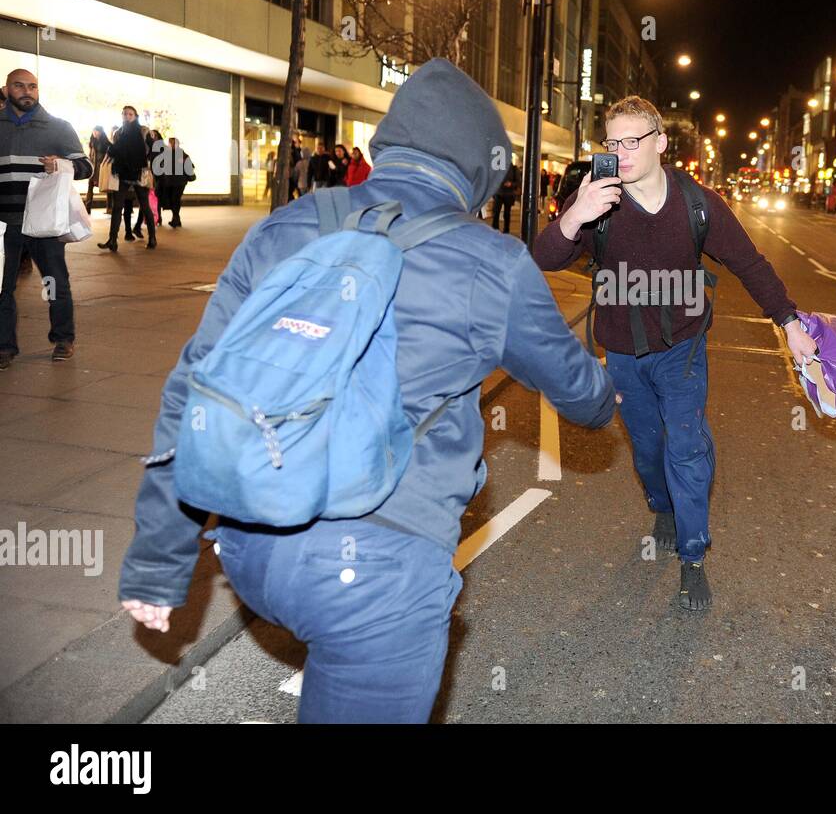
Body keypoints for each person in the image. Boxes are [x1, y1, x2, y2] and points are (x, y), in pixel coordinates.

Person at [118, 59, 615, 723]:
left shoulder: (288, 225)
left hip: (251, 541)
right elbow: (580, 395)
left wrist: (159, 556)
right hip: (378, 566)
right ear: (478, 170)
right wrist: (611, 388)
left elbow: (195, 385)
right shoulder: (492, 261)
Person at [533, 96, 818, 611]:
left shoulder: (698, 203)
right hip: (621, 350)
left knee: (686, 445)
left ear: (660, 143)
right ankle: (661, 505)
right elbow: (544, 259)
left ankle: (692, 557)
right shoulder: (596, 200)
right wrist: (576, 215)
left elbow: (749, 263)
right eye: (612, 142)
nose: (619, 152)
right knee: (647, 450)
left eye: (631, 141)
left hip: (682, 347)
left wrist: (789, 321)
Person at [0, 68, 93, 369]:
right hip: (5, 222)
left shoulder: (57, 127)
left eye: (32, 86)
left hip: (44, 222)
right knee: (3, 289)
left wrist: (61, 165)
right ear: (6, 89)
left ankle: (63, 339)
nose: (27, 92)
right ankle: (4, 347)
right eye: (19, 86)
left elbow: (86, 166)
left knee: (55, 282)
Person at [100, 106, 155, 251]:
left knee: (144, 205)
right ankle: (112, 240)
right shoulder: (119, 133)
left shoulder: (143, 131)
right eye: (124, 114)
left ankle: (153, 238)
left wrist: (146, 163)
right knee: (117, 207)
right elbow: (114, 150)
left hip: (139, 172)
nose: (127, 116)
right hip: (122, 172)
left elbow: (153, 149)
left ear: (135, 116)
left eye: (130, 114)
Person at [155, 136, 193, 228]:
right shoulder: (183, 154)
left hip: (173, 182)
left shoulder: (167, 154)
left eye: (170, 143)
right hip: (180, 182)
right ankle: (176, 219)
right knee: (176, 200)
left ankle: (176, 219)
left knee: (173, 200)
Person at [133, 128, 164, 239]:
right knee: (145, 203)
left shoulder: (158, 147)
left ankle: (139, 227)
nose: (152, 136)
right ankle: (138, 227)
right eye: (150, 134)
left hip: (152, 177)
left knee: (146, 203)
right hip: (147, 176)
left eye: (154, 135)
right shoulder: (145, 144)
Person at [86, 125, 110, 211]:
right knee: (90, 187)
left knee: (107, 188)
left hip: (102, 169)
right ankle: (87, 208)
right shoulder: (92, 142)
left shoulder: (106, 144)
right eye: (94, 131)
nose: (95, 133)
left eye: (97, 131)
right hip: (93, 168)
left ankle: (109, 208)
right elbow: (91, 156)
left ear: (101, 132)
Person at [492, 163, 519, 233]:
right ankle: (495, 230)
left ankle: (506, 230)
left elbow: (518, 182)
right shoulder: (497, 167)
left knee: (507, 213)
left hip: (509, 194)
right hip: (499, 193)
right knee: (496, 212)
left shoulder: (514, 168)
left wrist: (511, 184)